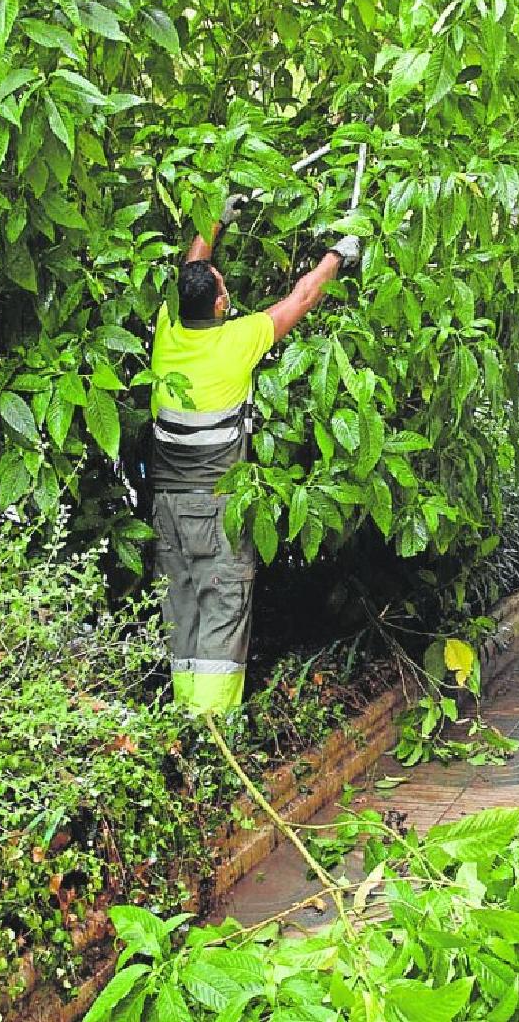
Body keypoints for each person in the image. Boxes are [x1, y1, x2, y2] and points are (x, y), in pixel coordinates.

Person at [149, 192, 360, 714]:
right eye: (222, 288)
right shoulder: (238, 340)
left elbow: (192, 270)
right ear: (221, 305)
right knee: (222, 613)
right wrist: (339, 253)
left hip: (165, 509)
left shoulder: (166, 332)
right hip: (215, 510)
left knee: (183, 610)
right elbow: (302, 298)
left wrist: (215, 220)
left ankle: (182, 723)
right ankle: (213, 732)